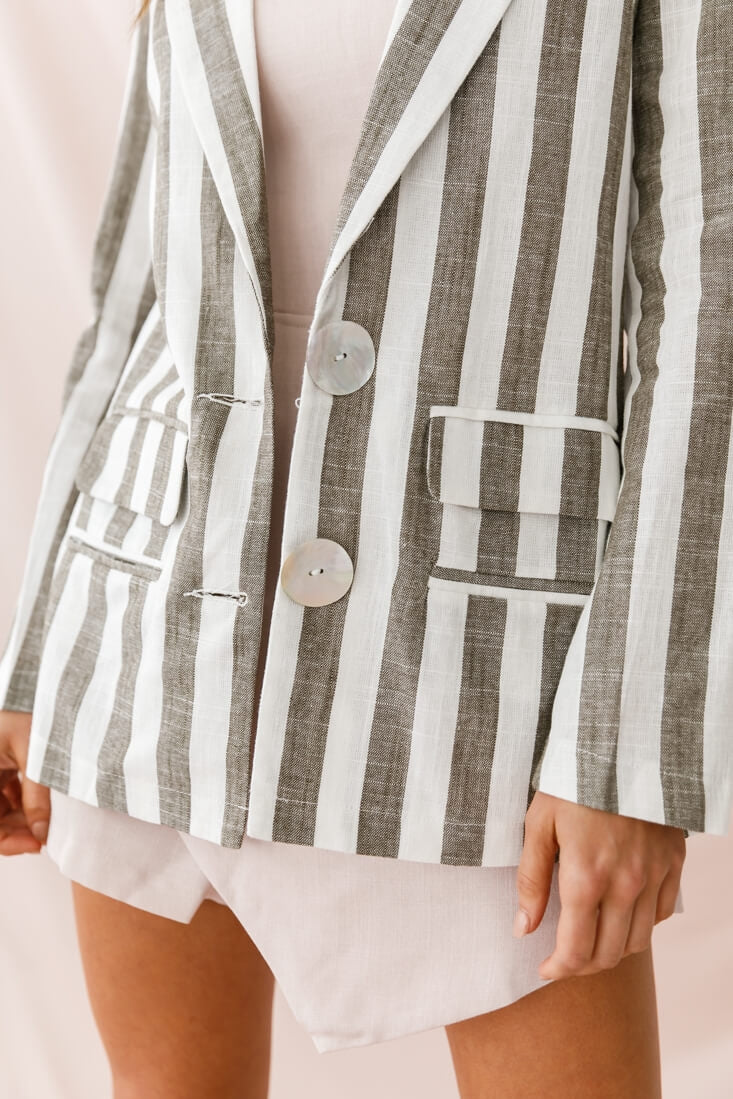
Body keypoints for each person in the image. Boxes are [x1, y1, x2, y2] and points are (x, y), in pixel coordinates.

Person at [1, 0, 729, 1095]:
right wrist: (37, 662)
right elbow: (132, 298)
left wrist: (629, 749)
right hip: (149, 644)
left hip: (478, 671)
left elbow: (709, 310)